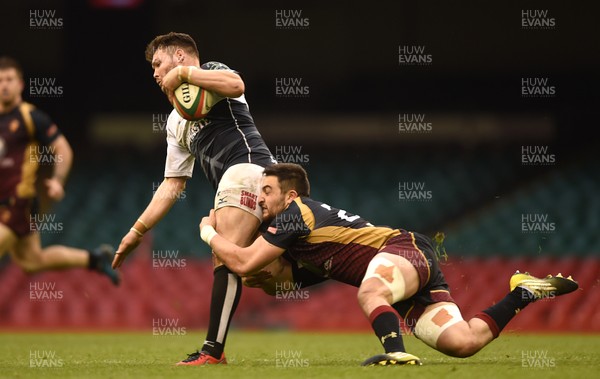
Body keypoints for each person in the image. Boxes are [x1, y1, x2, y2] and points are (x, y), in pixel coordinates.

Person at [198, 163, 579, 366]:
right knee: (464, 343)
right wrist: (263, 277)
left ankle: (395, 352)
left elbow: (245, 261)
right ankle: (523, 292)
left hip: (402, 250)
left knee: (370, 290)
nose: (261, 199)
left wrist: (208, 233)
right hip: (406, 265)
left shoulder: (296, 213)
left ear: (291, 195)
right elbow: (272, 277)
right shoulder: (301, 238)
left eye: (267, 191)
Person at [111, 32, 304, 366]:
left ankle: (212, 351)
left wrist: (184, 75)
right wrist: (136, 231)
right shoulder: (174, 122)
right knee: (271, 275)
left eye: (159, 64)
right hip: (235, 183)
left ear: (181, 56)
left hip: (248, 168)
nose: (155, 74)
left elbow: (236, 86)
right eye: (153, 68)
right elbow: (172, 185)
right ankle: (358, 263)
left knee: (224, 253)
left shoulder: (212, 71)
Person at [0, 56, 119, 285]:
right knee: (32, 262)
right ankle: (94, 259)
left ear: (20, 85)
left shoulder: (31, 117)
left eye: (10, 79)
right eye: (1, 80)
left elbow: (62, 148)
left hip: (17, 202)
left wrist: (58, 180)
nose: (4, 85)